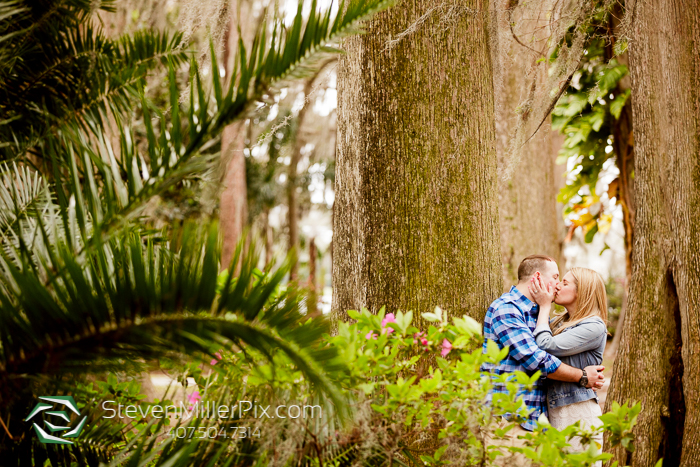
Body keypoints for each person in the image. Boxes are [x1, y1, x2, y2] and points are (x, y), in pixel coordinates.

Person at [481, 255, 605, 466]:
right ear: (537, 277)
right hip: (510, 421)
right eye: (557, 277)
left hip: (539, 422)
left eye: (563, 281)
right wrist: (583, 376)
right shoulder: (507, 309)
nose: (557, 285)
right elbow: (537, 360)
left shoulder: (540, 314)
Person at [529, 267, 608, 464]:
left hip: (577, 411)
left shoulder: (594, 326)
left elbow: (546, 345)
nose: (557, 285)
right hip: (555, 409)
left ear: (582, 292)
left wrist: (545, 305)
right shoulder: (559, 322)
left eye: (564, 283)